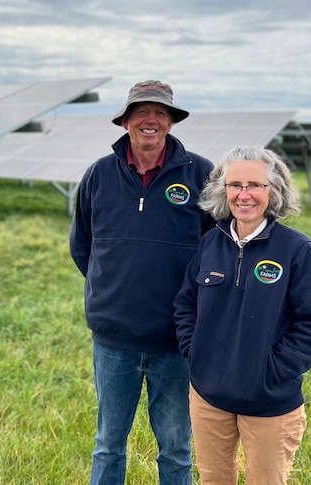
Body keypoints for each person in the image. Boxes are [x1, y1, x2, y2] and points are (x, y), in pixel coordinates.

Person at [70, 80, 216, 485]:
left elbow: (218, 250)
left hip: (177, 340)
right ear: (126, 122)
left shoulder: (203, 174)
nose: (150, 120)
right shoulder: (99, 174)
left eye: (160, 113)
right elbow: (82, 247)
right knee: (108, 443)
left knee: (175, 447)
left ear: (170, 122)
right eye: (141, 112)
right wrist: (115, 288)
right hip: (113, 340)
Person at [173, 146, 311, 485]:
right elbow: (185, 305)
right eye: (235, 185)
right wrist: (197, 351)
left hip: (269, 402)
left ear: (273, 191)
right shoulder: (209, 244)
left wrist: (268, 370)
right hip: (208, 398)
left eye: (255, 185)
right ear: (223, 190)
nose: (244, 195)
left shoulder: (296, 250)